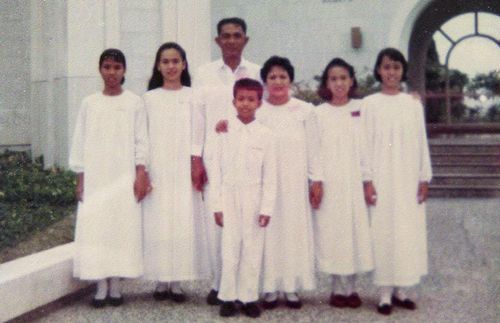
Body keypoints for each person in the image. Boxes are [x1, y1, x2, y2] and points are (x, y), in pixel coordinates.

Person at [69, 48, 150, 308]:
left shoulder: (134, 102)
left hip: (122, 175)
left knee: (120, 228)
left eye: (117, 67)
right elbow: (80, 142)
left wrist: (140, 173)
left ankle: (115, 284)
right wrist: (81, 178)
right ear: (100, 70)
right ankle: (100, 286)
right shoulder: (89, 103)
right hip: (97, 176)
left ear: (124, 71)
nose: (112, 72)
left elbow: (141, 141)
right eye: (107, 66)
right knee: (98, 230)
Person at [191, 17, 261, 305]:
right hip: (214, 157)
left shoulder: (257, 71)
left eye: (237, 35)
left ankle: (246, 288)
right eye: (226, 36)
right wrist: (196, 158)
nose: (231, 40)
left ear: (245, 40)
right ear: (217, 41)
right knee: (216, 222)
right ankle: (219, 284)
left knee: (246, 225)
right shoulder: (204, 73)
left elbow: (262, 113)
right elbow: (196, 117)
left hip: (247, 157)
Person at [361, 48, 432, 315]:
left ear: (403, 71)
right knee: (383, 231)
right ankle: (384, 294)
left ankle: (403, 289)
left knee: (406, 231)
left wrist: (424, 177)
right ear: (378, 70)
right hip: (381, 177)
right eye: (386, 67)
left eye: (396, 67)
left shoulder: (412, 104)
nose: (391, 72)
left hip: (407, 176)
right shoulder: (369, 103)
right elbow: (364, 144)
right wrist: (367, 179)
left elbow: (421, 142)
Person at [142, 42, 208, 303]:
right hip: (158, 167)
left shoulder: (194, 96)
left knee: (182, 220)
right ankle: (161, 279)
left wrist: (196, 161)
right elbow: (143, 137)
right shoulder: (149, 98)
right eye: (165, 61)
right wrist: (144, 169)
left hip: (183, 168)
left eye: (175, 61)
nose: (171, 66)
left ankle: (177, 281)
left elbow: (198, 132)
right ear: (158, 66)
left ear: (184, 65)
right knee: (159, 221)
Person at [258, 56, 323, 309]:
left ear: (290, 80)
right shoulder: (258, 111)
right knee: (270, 233)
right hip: (267, 183)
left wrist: (316, 179)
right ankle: (271, 288)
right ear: (264, 81)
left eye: (282, 76)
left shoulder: (305, 111)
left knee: (294, 231)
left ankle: (292, 287)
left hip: (295, 182)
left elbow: (315, 149)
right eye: (272, 77)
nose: (277, 81)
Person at [210, 78, 277, 318]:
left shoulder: (266, 135)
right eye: (241, 99)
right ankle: (227, 297)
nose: (245, 104)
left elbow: (270, 175)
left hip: (254, 196)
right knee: (229, 248)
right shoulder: (224, 131)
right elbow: (215, 171)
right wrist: (217, 205)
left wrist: (266, 207)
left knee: (252, 248)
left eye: (251, 99)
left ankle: (248, 297)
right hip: (229, 194)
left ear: (259, 102)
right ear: (233, 101)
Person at [313, 58, 373, 309]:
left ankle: (351, 288)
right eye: (333, 78)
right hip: (330, 182)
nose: (339, 83)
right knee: (333, 233)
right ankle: (337, 287)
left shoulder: (364, 108)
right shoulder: (318, 113)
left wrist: (413, 97)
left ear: (351, 81)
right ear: (327, 83)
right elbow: (314, 150)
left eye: (343, 78)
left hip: (355, 181)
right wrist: (316, 180)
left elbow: (368, 147)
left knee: (355, 232)